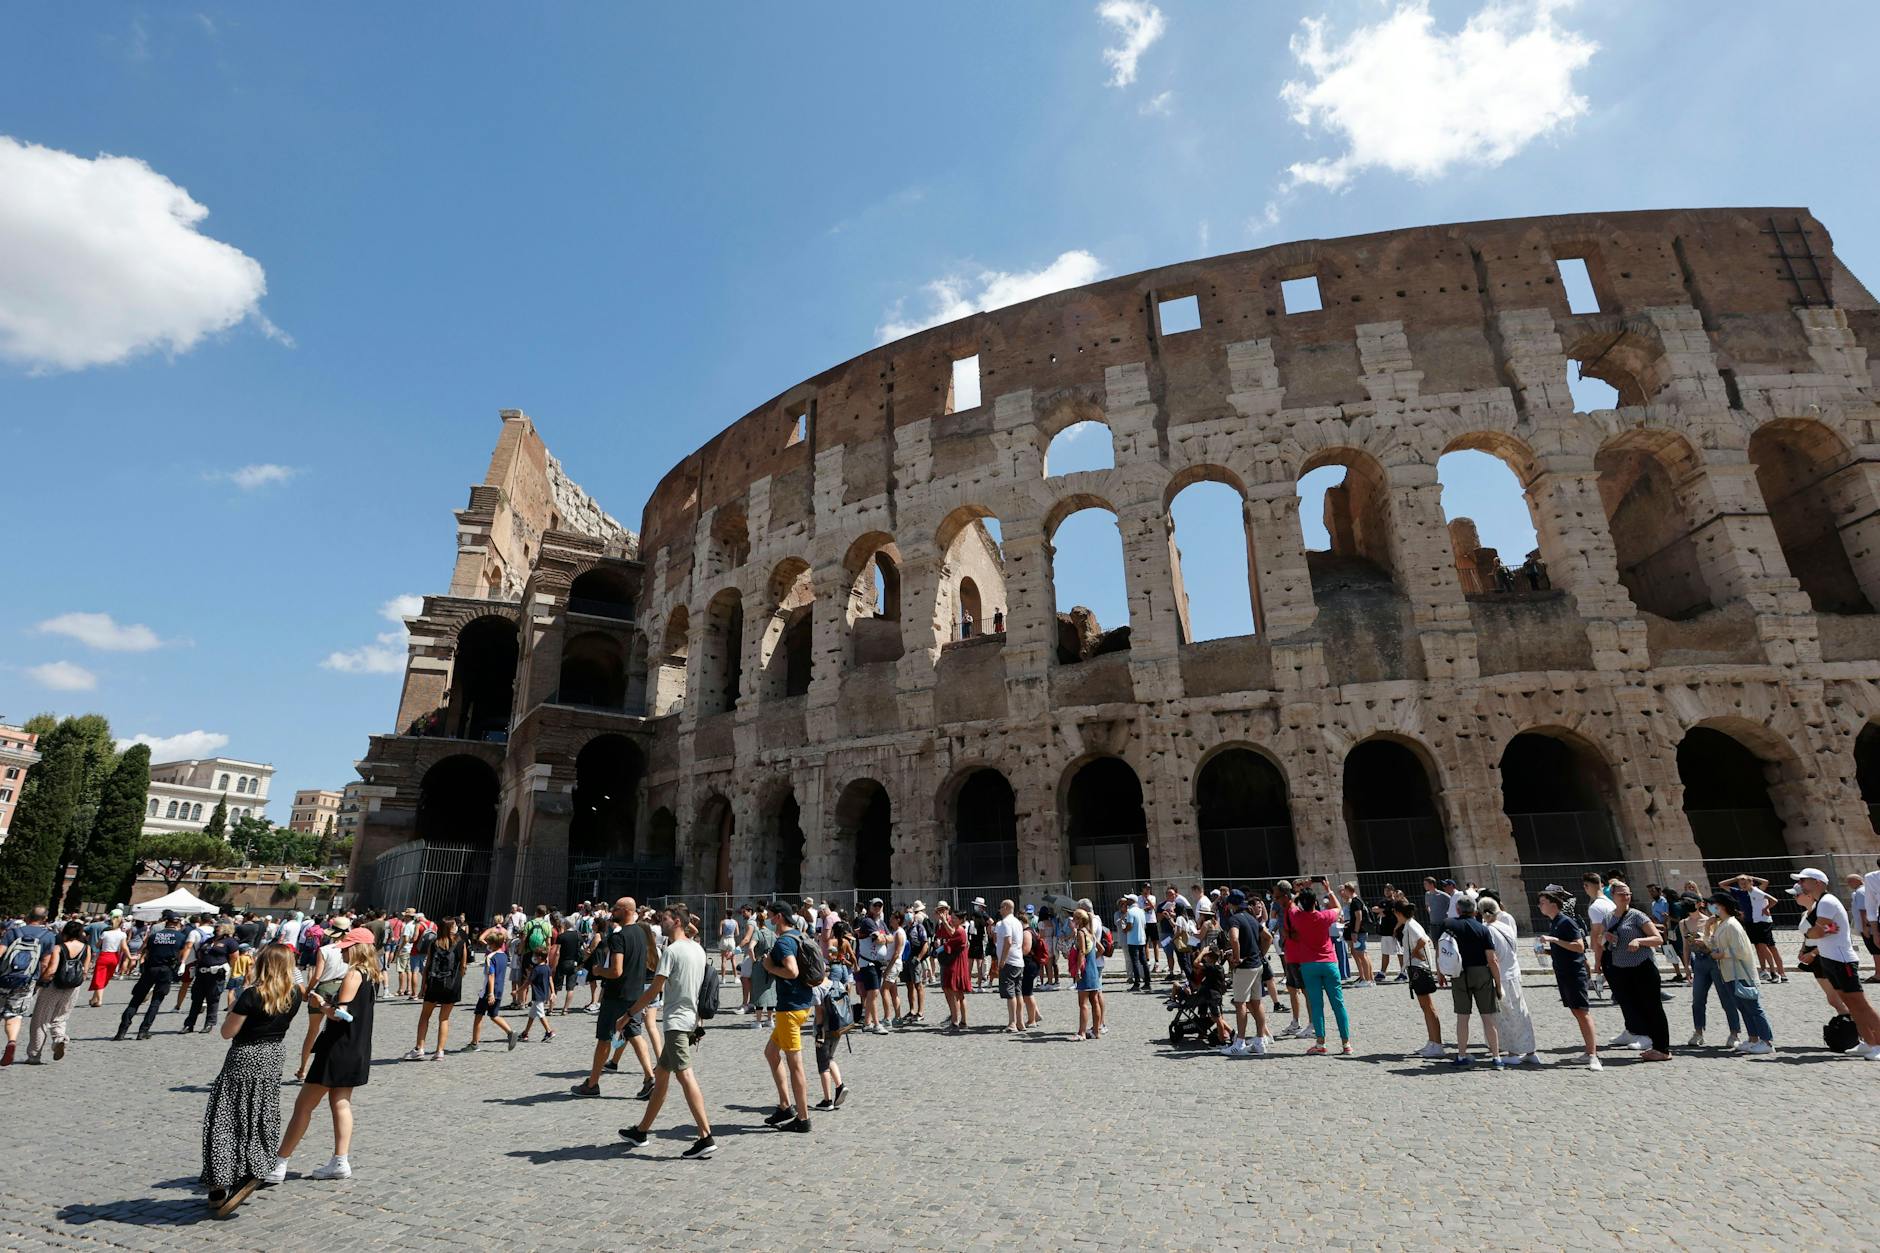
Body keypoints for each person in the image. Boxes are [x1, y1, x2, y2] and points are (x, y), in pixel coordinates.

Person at [198, 944, 303, 1216]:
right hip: (274, 1054)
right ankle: (255, 1165)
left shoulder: (253, 994)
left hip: (245, 1054)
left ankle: (222, 1177)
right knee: (261, 1110)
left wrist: (238, 998)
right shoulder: (294, 993)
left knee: (227, 1115)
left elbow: (227, 1031)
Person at [272, 928, 378, 1184]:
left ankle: (279, 1163)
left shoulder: (353, 973)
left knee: (303, 1105)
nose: (342, 950)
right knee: (341, 1102)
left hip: (337, 1047)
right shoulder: (371, 975)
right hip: (357, 1046)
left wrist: (322, 1004)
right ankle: (340, 1160)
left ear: (357, 949)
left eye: (346, 947)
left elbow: (342, 1015)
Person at [618, 907, 715, 1158]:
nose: (661, 921)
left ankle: (705, 1136)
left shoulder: (671, 952)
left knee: (685, 1076)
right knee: (661, 1076)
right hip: (691, 1019)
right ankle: (641, 1131)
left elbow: (654, 992)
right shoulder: (697, 948)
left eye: (665, 918)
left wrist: (628, 1015)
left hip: (677, 1023)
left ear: (678, 922)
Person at [1790, 867, 1880, 1058]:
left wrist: (1812, 932)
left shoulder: (1827, 902)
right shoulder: (1819, 903)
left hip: (1842, 959)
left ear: (1818, 883)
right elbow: (1824, 929)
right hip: (1830, 958)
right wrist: (1817, 930)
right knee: (1850, 1004)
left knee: (1860, 1003)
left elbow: (1819, 931)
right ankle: (1867, 1041)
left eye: (1804, 880)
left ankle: (1878, 1043)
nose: (1801, 884)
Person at [573, 897, 654, 1097]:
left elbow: (616, 970)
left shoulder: (619, 936)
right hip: (635, 993)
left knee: (604, 1038)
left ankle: (592, 1084)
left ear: (626, 911)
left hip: (616, 994)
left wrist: (600, 970)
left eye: (616, 908)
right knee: (635, 1034)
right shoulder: (641, 933)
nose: (612, 912)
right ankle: (650, 1077)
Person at [761, 901, 814, 1132]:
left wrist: (769, 967)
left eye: (772, 917)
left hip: (789, 1009)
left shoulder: (783, 942)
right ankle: (785, 1105)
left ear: (780, 917)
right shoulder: (799, 936)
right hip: (801, 1004)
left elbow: (792, 970)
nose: (770, 921)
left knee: (796, 1066)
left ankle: (803, 1119)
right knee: (771, 1053)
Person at [1603, 882, 1671, 1061]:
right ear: (1613, 896)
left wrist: (1639, 941)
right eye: (1621, 894)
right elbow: (1609, 944)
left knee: (1653, 1007)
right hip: (1621, 969)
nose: (1625, 897)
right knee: (1636, 1007)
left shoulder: (1637, 915)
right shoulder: (1609, 918)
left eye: (1627, 894)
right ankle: (1649, 1041)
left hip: (1643, 967)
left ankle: (1662, 1048)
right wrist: (1609, 940)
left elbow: (1658, 939)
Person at [1285, 878, 1351, 1056]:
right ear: (1315, 903)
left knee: (1316, 1005)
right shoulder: (1324, 917)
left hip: (1308, 964)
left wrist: (1301, 889)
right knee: (1339, 1004)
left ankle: (1320, 1043)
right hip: (1329, 962)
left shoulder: (1297, 917)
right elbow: (1337, 908)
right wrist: (1328, 890)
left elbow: (1291, 904)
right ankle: (1346, 1044)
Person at [1534, 888, 1599, 1068]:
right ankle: (1588, 1051)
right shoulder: (1554, 922)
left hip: (1574, 973)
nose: (1539, 906)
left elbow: (1579, 947)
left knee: (1582, 1012)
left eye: (1543, 902)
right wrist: (1546, 950)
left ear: (1553, 904)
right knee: (1576, 1011)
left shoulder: (1565, 921)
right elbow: (1563, 946)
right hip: (1563, 972)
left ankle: (1593, 1054)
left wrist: (1554, 940)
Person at [1705, 892, 1774, 1053]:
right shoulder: (1722, 924)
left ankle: (1767, 1041)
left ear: (1721, 905)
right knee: (1743, 1008)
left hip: (1741, 973)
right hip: (1729, 973)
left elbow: (1741, 950)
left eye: (1713, 904)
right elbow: (1712, 944)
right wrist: (1707, 928)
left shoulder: (1732, 924)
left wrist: (1721, 954)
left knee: (1753, 1008)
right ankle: (1753, 1038)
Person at [1443, 894, 1504, 1067]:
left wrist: (1441, 971)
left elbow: (1442, 948)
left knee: (1462, 1017)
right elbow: (1492, 959)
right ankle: (1496, 1057)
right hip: (1481, 972)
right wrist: (1498, 984)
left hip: (1458, 972)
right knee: (1487, 1017)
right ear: (1475, 911)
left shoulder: (1448, 925)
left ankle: (1462, 1055)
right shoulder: (1483, 929)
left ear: (1457, 909)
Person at [1478, 897, 1540, 1065]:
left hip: (1501, 976)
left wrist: (1496, 983)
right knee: (1520, 1013)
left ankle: (1513, 1053)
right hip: (1513, 973)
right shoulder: (1505, 926)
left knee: (1506, 1016)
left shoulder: (1487, 930)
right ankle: (1530, 1050)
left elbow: (1492, 958)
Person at [116, 909, 194, 1042]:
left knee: (136, 1000)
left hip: (150, 969)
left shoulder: (154, 936)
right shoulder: (181, 937)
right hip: (166, 970)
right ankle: (143, 1031)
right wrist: (181, 963)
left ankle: (121, 1031)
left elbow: (146, 951)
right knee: (156, 1002)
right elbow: (183, 951)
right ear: (177, 923)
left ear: (166, 922)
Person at [1, 905, 60, 1066]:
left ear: (28, 916)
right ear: (45, 919)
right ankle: (12, 1041)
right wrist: (39, 982)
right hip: (26, 981)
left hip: (3, 977)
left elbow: (0, 951)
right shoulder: (48, 937)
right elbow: (45, 962)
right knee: (14, 1015)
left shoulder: (13, 932)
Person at [1682, 891, 1740, 1049]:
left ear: (1699, 903)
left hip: (1714, 960)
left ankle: (1734, 1033)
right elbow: (1686, 946)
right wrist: (1686, 966)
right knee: (1697, 999)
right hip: (1699, 963)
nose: (1686, 904)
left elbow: (1718, 943)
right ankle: (1698, 1032)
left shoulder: (1712, 920)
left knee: (1726, 998)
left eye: (1690, 901)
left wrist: (1705, 941)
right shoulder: (1684, 923)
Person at [26, 920, 88, 1065]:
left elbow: (52, 970)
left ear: (64, 932)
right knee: (61, 1017)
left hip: (54, 987)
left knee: (40, 1020)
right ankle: (59, 1038)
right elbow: (85, 971)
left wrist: (40, 983)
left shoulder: (59, 948)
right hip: (72, 988)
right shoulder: (87, 948)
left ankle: (34, 1055)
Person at [408, 915, 467, 1061]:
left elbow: (427, 967)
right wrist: (457, 980)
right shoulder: (461, 943)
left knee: (425, 1016)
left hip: (434, 983)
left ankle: (419, 1048)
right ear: (452, 928)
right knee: (444, 1018)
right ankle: (440, 1051)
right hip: (451, 984)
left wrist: (423, 988)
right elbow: (463, 966)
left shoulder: (434, 943)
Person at [1219, 890, 1270, 1057]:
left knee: (1240, 1003)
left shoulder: (1234, 919)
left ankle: (1239, 1042)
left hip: (1245, 967)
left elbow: (1234, 938)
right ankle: (1260, 1040)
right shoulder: (1252, 919)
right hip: (1257, 965)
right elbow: (1268, 937)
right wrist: (1261, 954)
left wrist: (1236, 957)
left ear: (1232, 905)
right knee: (1257, 1002)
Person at [1390, 901, 1444, 1058]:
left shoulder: (1411, 925)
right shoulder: (1410, 924)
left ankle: (1437, 1044)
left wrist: (1414, 952)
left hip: (1419, 969)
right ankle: (1432, 1042)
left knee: (1428, 1007)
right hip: (1416, 968)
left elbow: (1423, 940)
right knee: (1425, 1007)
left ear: (1398, 913)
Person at [1718, 873, 1785, 982]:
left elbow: (1765, 882)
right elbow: (1721, 884)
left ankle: (1779, 972)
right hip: (1750, 922)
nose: (1743, 885)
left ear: (1751, 882)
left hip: (1762, 921)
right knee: (1759, 946)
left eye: (1745, 883)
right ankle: (1764, 971)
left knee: (1769, 947)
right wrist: (1736, 878)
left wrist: (1750, 877)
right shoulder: (1739, 892)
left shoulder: (1756, 890)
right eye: (1741, 883)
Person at [465, 929, 517, 1051]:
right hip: (499, 989)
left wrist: (490, 993)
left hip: (489, 990)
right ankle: (510, 1031)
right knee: (494, 1015)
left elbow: (491, 975)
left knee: (479, 1015)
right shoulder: (504, 956)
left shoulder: (490, 957)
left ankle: (474, 1043)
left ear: (492, 944)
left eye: (488, 943)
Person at [935, 902, 971, 1030]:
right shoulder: (959, 930)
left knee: (954, 993)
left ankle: (955, 1021)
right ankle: (963, 1021)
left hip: (956, 964)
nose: (952, 920)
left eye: (955, 918)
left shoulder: (960, 931)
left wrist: (939, 948)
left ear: (961, 920)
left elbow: (949, 942)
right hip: (958, 963)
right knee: (959, 994)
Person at [994, 899, 1026, 1032]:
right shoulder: (1018, 922)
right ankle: (1020, 1022)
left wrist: (1002, 960)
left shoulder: (1006, 923)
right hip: (1018, 961)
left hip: (1009, 961)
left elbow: (1008, 942)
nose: (1000, 910)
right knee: (1018, 992)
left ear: (1006, 907)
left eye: (1001, 907)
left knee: (1010, 993)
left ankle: (1012, 1022)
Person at [1071, 908, 1103, 1039]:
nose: (1073, 920)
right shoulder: (1090, 933)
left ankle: (1082, 1032)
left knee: (1083, 1003)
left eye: (1075, 917)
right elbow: (1101, 949)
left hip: (1085, 971)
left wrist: (1078, 970)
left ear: (1079, 920)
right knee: (1094, 1001)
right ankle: (1096, 1031)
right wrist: (1092, 960)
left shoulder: (1081, 933)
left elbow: (1082, 952)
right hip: (1093, 970)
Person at [88, 914, 126, 1008]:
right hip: (114, 957)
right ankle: (94, 999)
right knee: (105, 978)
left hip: (104, 956)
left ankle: (99, 1000)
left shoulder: (105, 933)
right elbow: (124, 947)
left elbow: (97, 945)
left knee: (99, 977)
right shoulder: (122, 934)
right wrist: (130, 956)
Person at [516, 951, 554, 1042]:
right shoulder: (547, 968)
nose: (533, 957)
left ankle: (549, 1031)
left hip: (538, 995)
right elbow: (550, 979)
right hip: (543, 994)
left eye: (535, 956)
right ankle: (525, 1033)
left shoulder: (536, 969)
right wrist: (553, 992)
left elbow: (527, 982)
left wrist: (517, 992)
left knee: (541, 1015)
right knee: (531, 1015)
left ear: (540, 957)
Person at [1122, 895, 1150, 991]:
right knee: (1143, 961)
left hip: (1133, 940)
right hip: (1142, 939)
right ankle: (1147, 982)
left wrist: (1125, 930)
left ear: (1131, 901)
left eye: (1128, 899)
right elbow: (1144, 925)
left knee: (1135, 962)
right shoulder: (1141, 911)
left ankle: (1137, 983)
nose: (1126, 901)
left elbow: (1130, 925)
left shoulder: (1130, 911)